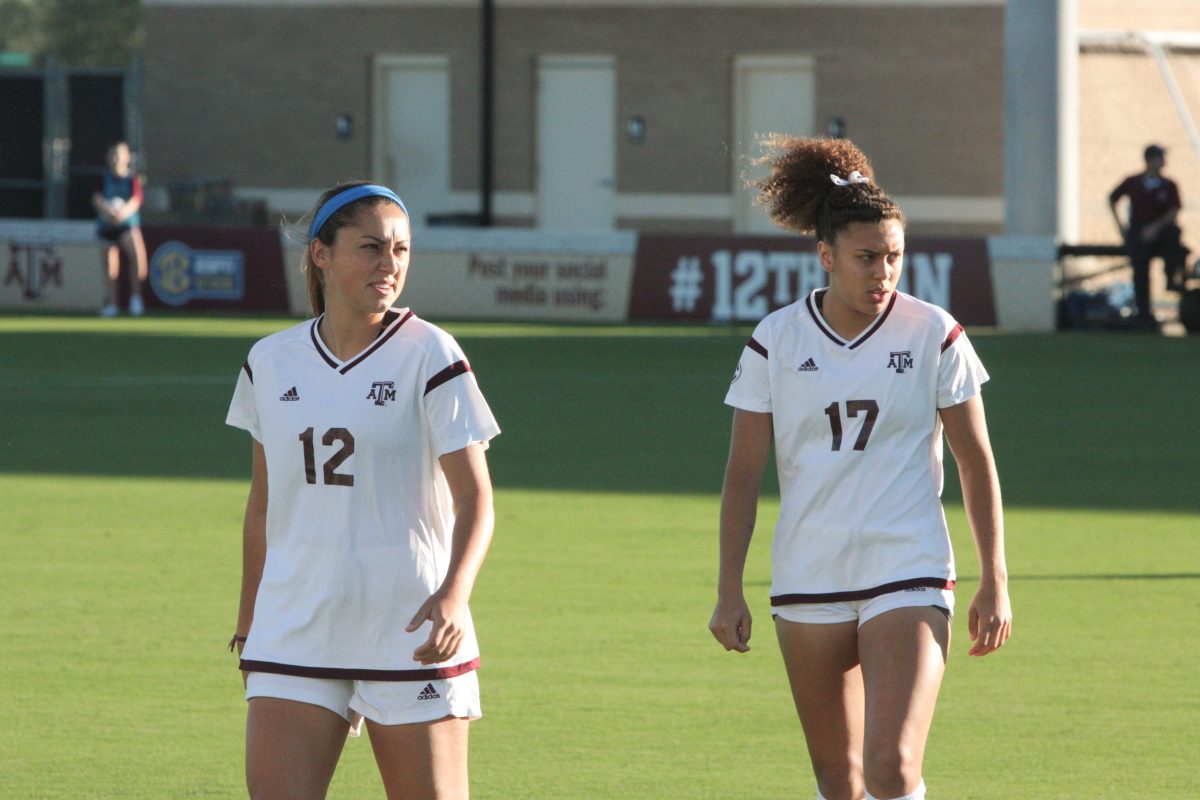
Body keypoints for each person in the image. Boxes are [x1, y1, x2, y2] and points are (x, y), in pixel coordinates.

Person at [708, 137, 1011, 800]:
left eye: (895, 257)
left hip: (908, 565)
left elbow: (974, 459)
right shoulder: (776, 340)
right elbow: (742, 474)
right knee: (840, 781)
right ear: (826, 256)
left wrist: (996, 579)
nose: (884, 272)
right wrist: (729, 588)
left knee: (892, 766)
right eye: (867, 257)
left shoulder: (935, 333)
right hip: (807, 572)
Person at [225, 182, 500, 799]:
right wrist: (252, 615)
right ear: (321, 254)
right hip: (295, 625)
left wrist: (455, 596)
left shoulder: (432, 353)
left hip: (409, 629)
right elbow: (264, 503)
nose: (390, 264)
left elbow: (476, 498)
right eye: (372, 247)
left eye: (401, 249)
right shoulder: (269, 361)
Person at [1108, 143, 1187, 325]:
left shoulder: (1169, 185)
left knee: (1173, 235)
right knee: (1140, 271)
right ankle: (1144, 315)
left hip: (1162, 235)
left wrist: (1155, 228)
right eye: (1160, 158)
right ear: (1150, 160)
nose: (1164, 162)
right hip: (1139, 234)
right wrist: (1121, 227)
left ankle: (1171, 278)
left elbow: (1174, 211)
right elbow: (1112, 199)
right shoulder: (1133, 182)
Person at [92, 141, 148, 317]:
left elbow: (136, 200)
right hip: (106, 225)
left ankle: (136, 300)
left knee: (137, 259)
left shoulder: (132, 179)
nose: (116, 158)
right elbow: (97, 199)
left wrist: (122, 213)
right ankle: (111, 303)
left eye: (119, 154)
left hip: (127, 225)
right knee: (109, 266)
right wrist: (108, 210)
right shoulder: (103, 178)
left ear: (127, 158)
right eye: (113, 154)